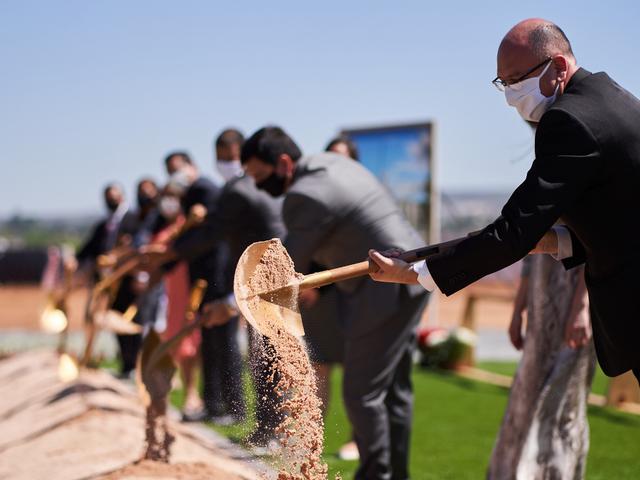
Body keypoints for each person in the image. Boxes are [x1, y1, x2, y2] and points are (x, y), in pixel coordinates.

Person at [369, 18, 640, 384]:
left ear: (558, 66)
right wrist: (551, 241)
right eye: (504, 83)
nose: (511, 94)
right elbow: (618, 216)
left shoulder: (569, 121)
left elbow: (515, 230)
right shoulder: (612, 98)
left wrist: (417, 274)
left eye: (517, 80)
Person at [242, 126, 429, 480]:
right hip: (411, 279)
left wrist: (239, 299)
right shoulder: (330, 163)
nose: (257, 186)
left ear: (283, 163)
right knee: (394, 393)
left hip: (384, 290)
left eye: (259, 175)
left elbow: (286, 264)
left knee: (362, 393)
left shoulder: (304, 195)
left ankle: (376, 475)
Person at [197, 127, 287, 449]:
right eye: (222, 158)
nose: (228, 164)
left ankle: (275, 432)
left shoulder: (250, 189)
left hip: (271, 281)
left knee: (271, 360)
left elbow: (213, 232)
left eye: (233, 158)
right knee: (261, 358)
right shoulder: (238, 188)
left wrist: (169, 253)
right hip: (250, 282)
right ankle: (267, 429)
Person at [161, 151, 245, 422]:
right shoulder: (188, 195)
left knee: (224, 341)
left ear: (191, 166)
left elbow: (208, 235)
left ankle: (234, 407)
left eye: (179, 167)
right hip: (203, 278)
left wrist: (172, 253)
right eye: (171, 169)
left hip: (219, 275)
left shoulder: (205, 189)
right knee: (208, 342)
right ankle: (213, 404)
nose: (176, 173)